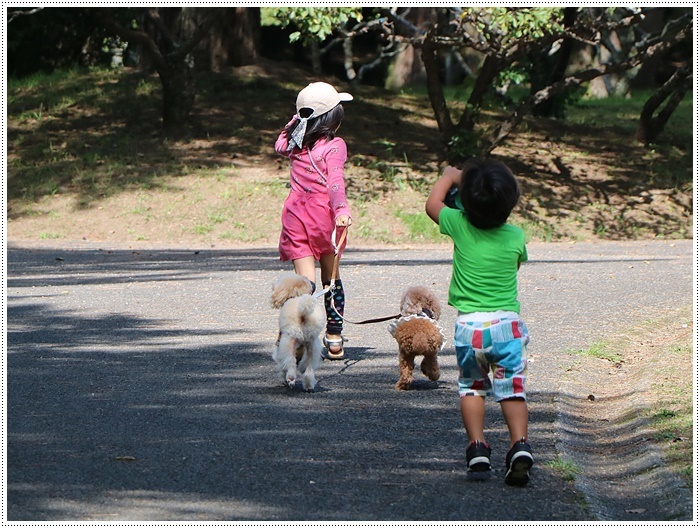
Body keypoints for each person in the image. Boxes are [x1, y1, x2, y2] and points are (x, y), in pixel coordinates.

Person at [425, 159, 533, 486]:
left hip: (469, 328)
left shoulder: (459, 224)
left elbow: (432, 205)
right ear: (510, 202)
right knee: (512, 390)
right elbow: (513, 266)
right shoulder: (515, 236)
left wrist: (448, 176)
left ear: (465, 200)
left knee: (471, 387)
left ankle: (477, 447)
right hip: (506, 327)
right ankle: (519, 445)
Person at [274, 82, 353, 360]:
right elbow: (334, 182)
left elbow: (279, 144)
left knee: (304, 283)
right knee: (331, 278)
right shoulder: (335, 146)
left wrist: (297, 119)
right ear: (333, 119)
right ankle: (334, 336)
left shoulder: (294, 142)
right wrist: (341, 209)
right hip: (325, 216)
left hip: (296, 214)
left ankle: (294, 336)